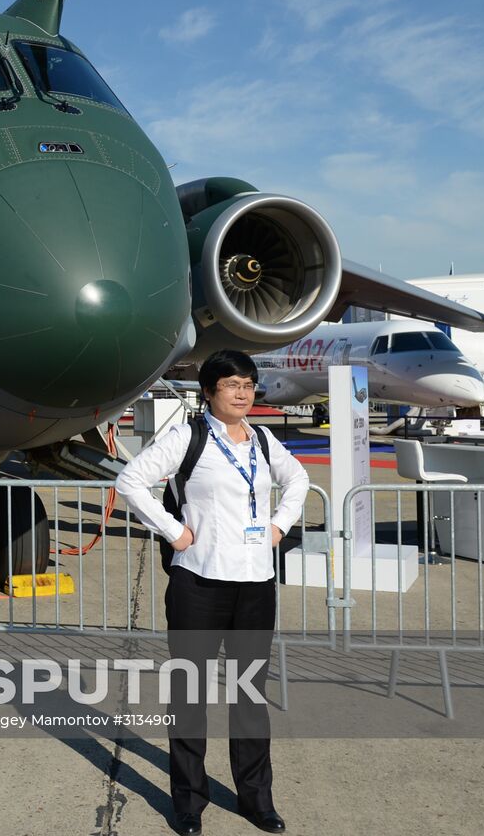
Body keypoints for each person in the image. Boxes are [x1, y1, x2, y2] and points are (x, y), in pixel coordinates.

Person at [115, 349, 309, 836]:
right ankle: (188, 802)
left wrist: (279, 525)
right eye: (231, 385)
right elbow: (131, 480)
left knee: (250, 696)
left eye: (248, 384)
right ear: (208, 392)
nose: (242, 393)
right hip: (199, 583)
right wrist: (173, 531)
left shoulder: (262, 439)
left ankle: (256, 799)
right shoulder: (189, 437)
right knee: (189, 696)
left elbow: (298, 478)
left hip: (255, 584)